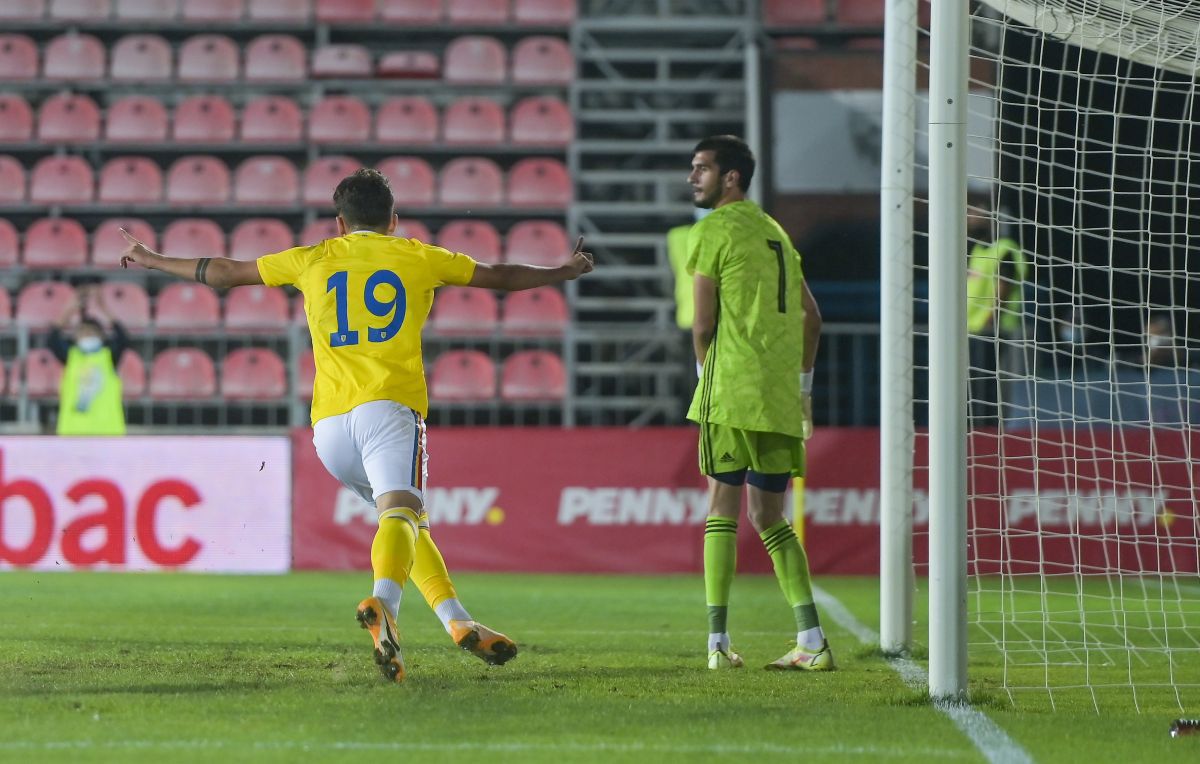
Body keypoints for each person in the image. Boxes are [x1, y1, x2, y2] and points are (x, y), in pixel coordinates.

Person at [120, 168, 594, 683]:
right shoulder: (416, 255)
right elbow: (498, 276)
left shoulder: (313, 257)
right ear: (393, 220)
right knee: (401, 516)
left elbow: (226, 272)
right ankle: (385, 603)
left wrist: (151, 258)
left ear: (340, 223)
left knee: (409, 522)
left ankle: (458, 623)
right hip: (388, 409)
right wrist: (562, 271)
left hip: (328, 428)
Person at [685, 135, 832, 672]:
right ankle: (811, 639)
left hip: (730, 389)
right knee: (772, 517)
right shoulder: (776, 232)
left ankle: (718, 644)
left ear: (731, 177)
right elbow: (811, 318)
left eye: (701, 168)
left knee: (722, 511)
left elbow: (703, 323)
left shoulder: (713, 231)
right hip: (778, 399)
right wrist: (802, 389)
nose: (691, 178)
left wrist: (706, 377)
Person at [966, 211, 1027, 424]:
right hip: (974, 328)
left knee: (987, 381)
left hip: (994, 329)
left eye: (974, 214)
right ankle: (976, 422)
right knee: (974, 381)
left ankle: (989, 425)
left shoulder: (1005, 249)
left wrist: (990, 320)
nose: (969, 218)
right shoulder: (978, 250)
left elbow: (1004, 286)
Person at [48, 285, 128, 436]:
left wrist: (103, 308)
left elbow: (122, 337)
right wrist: (70, 309)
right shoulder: (70, 356)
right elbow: (52, 338)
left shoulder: (109, 356)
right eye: (81, 332)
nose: (86, 335)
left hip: (107, 431)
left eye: (91, 332)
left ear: (102, 336)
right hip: (73, 431)